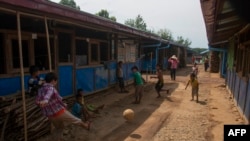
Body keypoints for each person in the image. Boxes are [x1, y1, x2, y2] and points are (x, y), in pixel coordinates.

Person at [36, 72, 90, 140]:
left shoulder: (40, 90)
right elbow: (49, 95)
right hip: (59, 112)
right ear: (53, 80)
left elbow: (37, 101)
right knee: (75, 120)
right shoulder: (51, 88)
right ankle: (86, 126)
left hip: (50, 115)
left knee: (59, 128)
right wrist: (46, 100)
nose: (56, 83)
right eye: (56, 81)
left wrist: (41, 102)